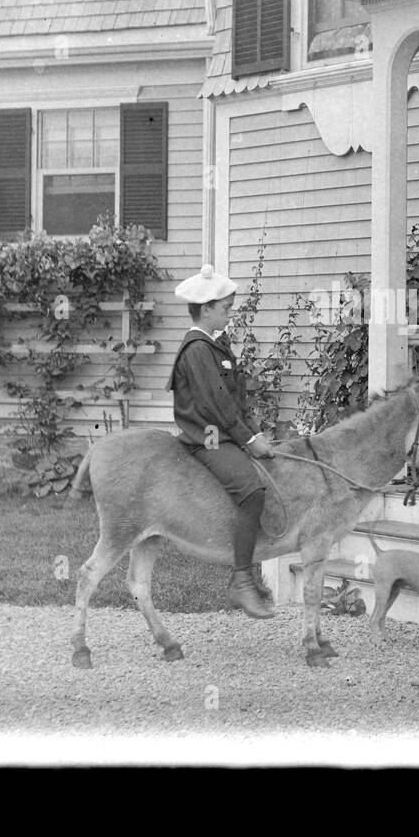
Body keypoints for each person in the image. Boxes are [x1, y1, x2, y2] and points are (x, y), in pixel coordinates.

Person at [168, 265, 276, 619]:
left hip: (225, 432)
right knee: (252, 490)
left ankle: (251, 569)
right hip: (206, 438)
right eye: (225, 308)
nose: (230, 313)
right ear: (206, 309)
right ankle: (241, 579)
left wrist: (255, 433)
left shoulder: (216, 345)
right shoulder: (198, 350)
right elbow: (217, 404)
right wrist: (248, 441)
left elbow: (236, 398)